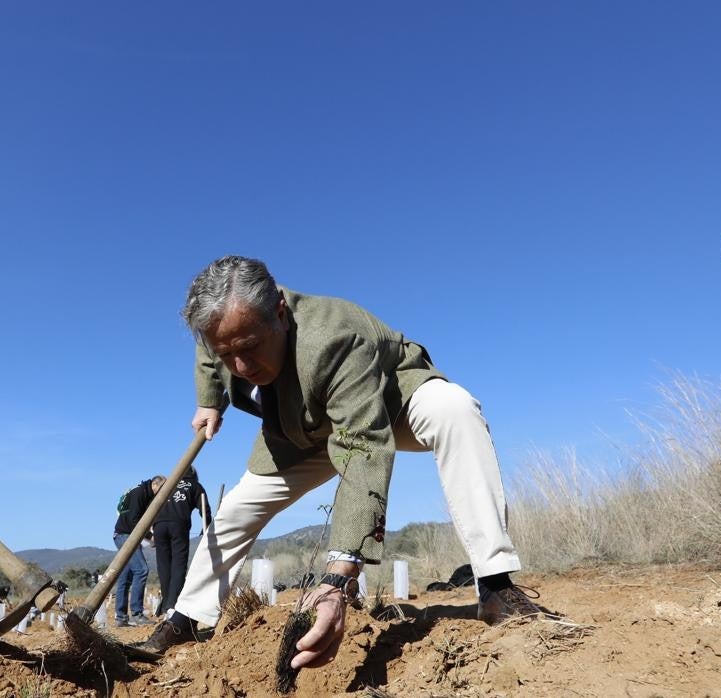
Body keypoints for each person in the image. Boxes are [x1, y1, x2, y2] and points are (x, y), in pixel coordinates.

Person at [137, 256, 549, 671]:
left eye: (249, 348)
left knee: (454, 410)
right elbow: (209, 351)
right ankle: (187, 618)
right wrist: (208, 401)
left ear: (279, 312)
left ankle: (496, 585)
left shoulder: (335, 336)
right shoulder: (221, 331)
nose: (241, 367)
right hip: (301, 426)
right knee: (235, 511)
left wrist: (337, 578)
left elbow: (361, 447)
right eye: (229, 353)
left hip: (387, 404)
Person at [152, 467, 211, 617]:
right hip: (178, 524)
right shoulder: (195, 486)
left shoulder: (168, 484)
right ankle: (172, 605)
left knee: (164, 565)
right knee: (179, 564)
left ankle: (166, 603)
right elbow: (204, 508)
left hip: (158, 525)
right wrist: (207, 527)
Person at [112, 475, 163, 627]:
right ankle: (137, 614)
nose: (162, 493)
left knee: (125, 576)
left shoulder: (142, 492)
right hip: (125, 536)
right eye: (161, 489)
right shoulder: (140, 493)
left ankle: (120, 618)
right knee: (141, 570)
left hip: (122, 535)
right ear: (154, 484)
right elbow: (135, 520)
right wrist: (150, 537)